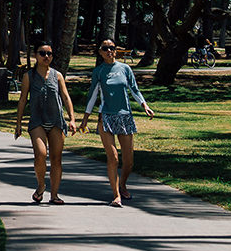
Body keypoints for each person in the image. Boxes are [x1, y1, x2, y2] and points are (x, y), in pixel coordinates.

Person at [78, 39, 155, 206]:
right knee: (113, 158)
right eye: (105, 48)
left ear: (116, 50)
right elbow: (93, 95)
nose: (109, 51)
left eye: (111, 48)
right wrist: (85, 119)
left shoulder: (125, 69)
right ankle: (116, 195)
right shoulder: (99, 71)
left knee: (129, 160)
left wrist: (145, 106)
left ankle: (123, 184)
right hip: (106, 116)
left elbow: (134, 89)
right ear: (100, 52)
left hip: (125, 116)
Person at [13, 42, 78, 203]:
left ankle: (54, 195)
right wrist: (18, 123)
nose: (46, 56)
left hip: (56, 121)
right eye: (42, 53)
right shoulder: (29, 76)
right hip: (37, 122)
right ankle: (41, 185)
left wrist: (72, 119)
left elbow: (65, 97)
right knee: (40, 155)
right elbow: (22, 100)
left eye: (49, 53)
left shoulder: (57, 75)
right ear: (36, 55)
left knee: (56, 159)